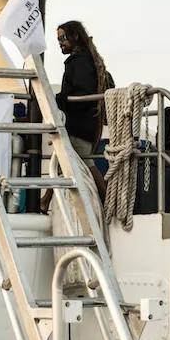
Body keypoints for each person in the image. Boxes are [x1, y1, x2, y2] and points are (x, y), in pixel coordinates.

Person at [49, 20, 111, 210]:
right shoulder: (86, 59)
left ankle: (109, 202)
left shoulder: (80, 61)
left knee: (85, 162)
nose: (60, 42)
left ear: (75, 36)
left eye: (63, 37)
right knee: (62, 161)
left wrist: (60, 99)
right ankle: (45, 201)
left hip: (79, 124)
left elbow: (83, 93)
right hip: (85, 123)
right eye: (58, 38)